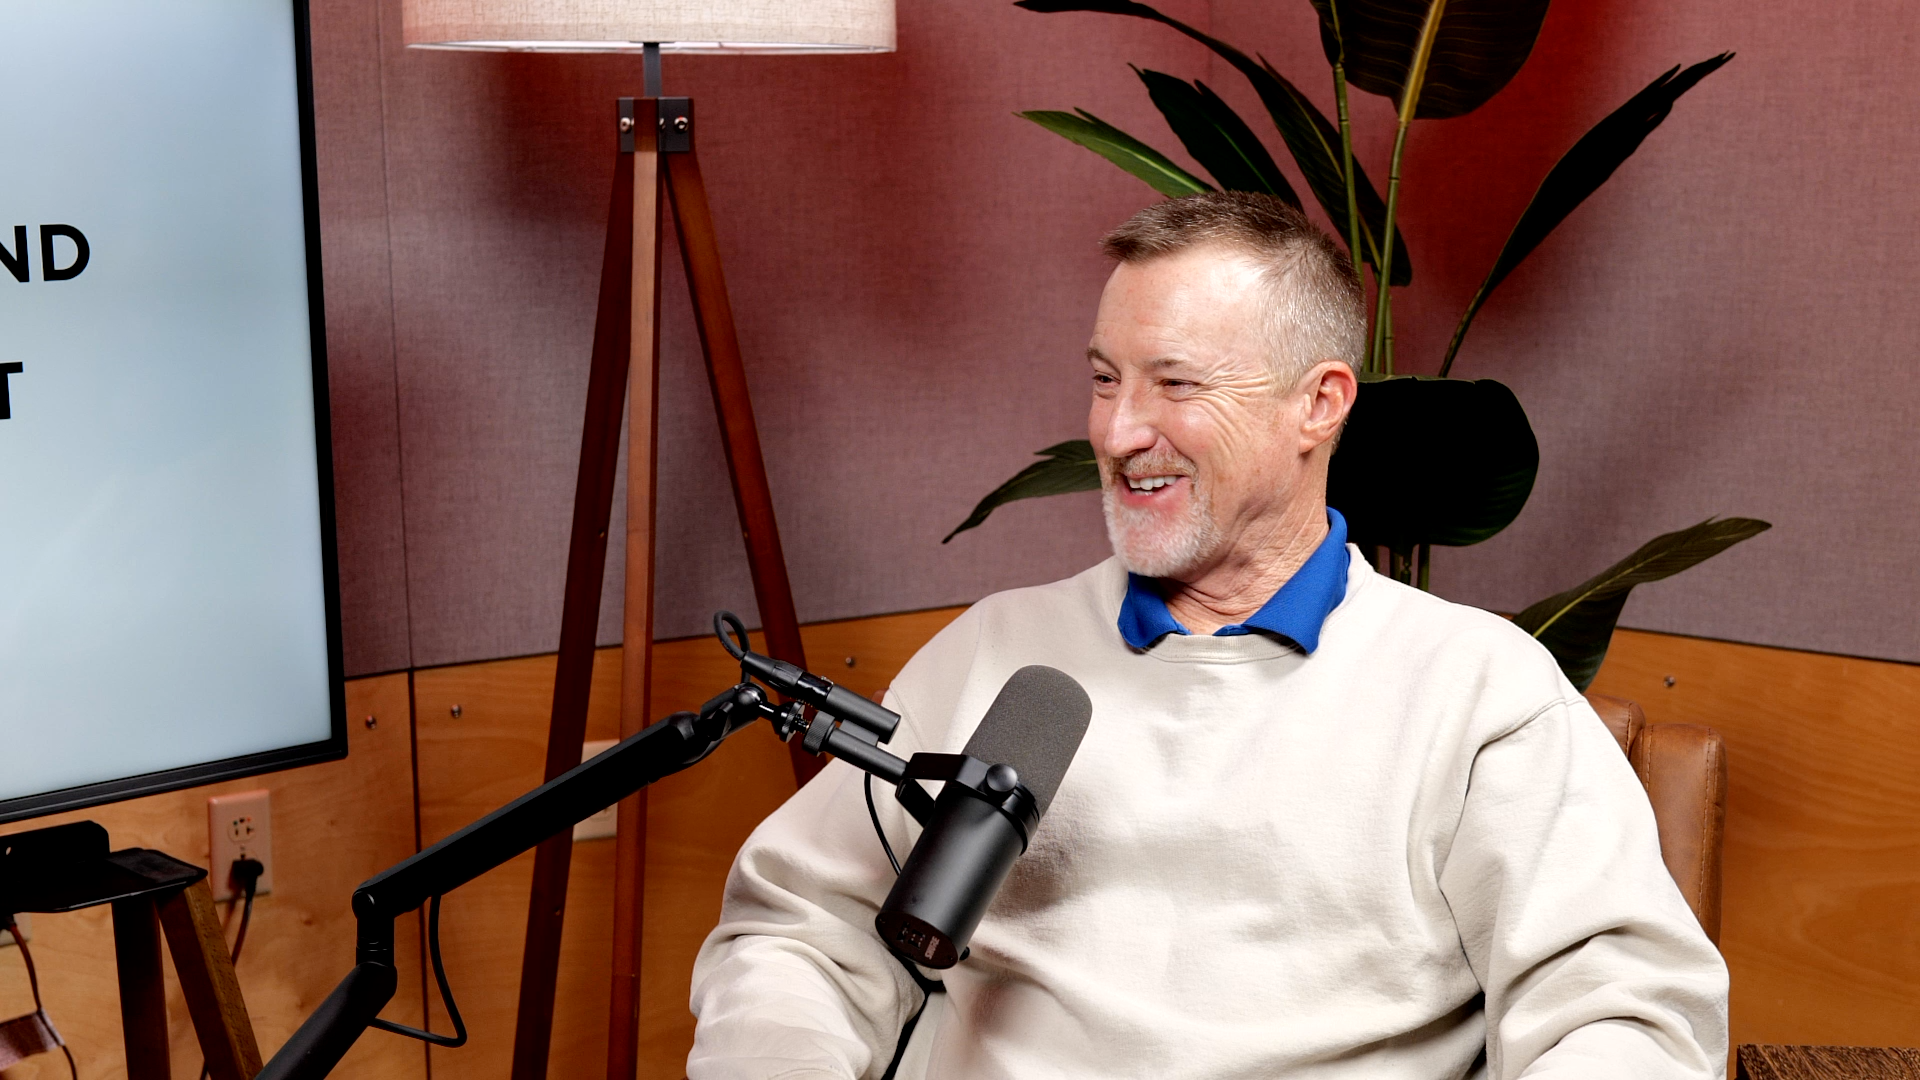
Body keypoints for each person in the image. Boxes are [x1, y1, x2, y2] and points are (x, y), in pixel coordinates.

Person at [687, 192, 1729, 1079]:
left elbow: (1619, 1014)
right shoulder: (997, 654)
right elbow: (800, 934)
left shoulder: (1476, 690)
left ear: (1317, 405)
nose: (1116, 431)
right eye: (1105, 378)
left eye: (1174, 384)